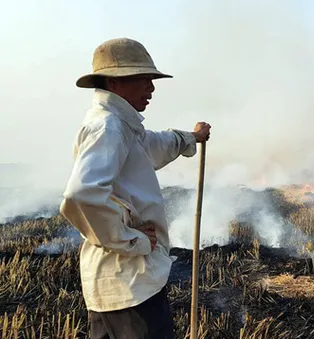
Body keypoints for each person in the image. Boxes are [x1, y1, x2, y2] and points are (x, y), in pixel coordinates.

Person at [59, 37, 211, 339]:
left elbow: (150, 144)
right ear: (115, 83)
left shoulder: (121, 126)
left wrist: (190, 138)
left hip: (122, 285)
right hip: (129, 285)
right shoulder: (109, 127)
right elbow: (82, 195)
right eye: (143, 79)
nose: (151, 88)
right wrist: (133, 240)